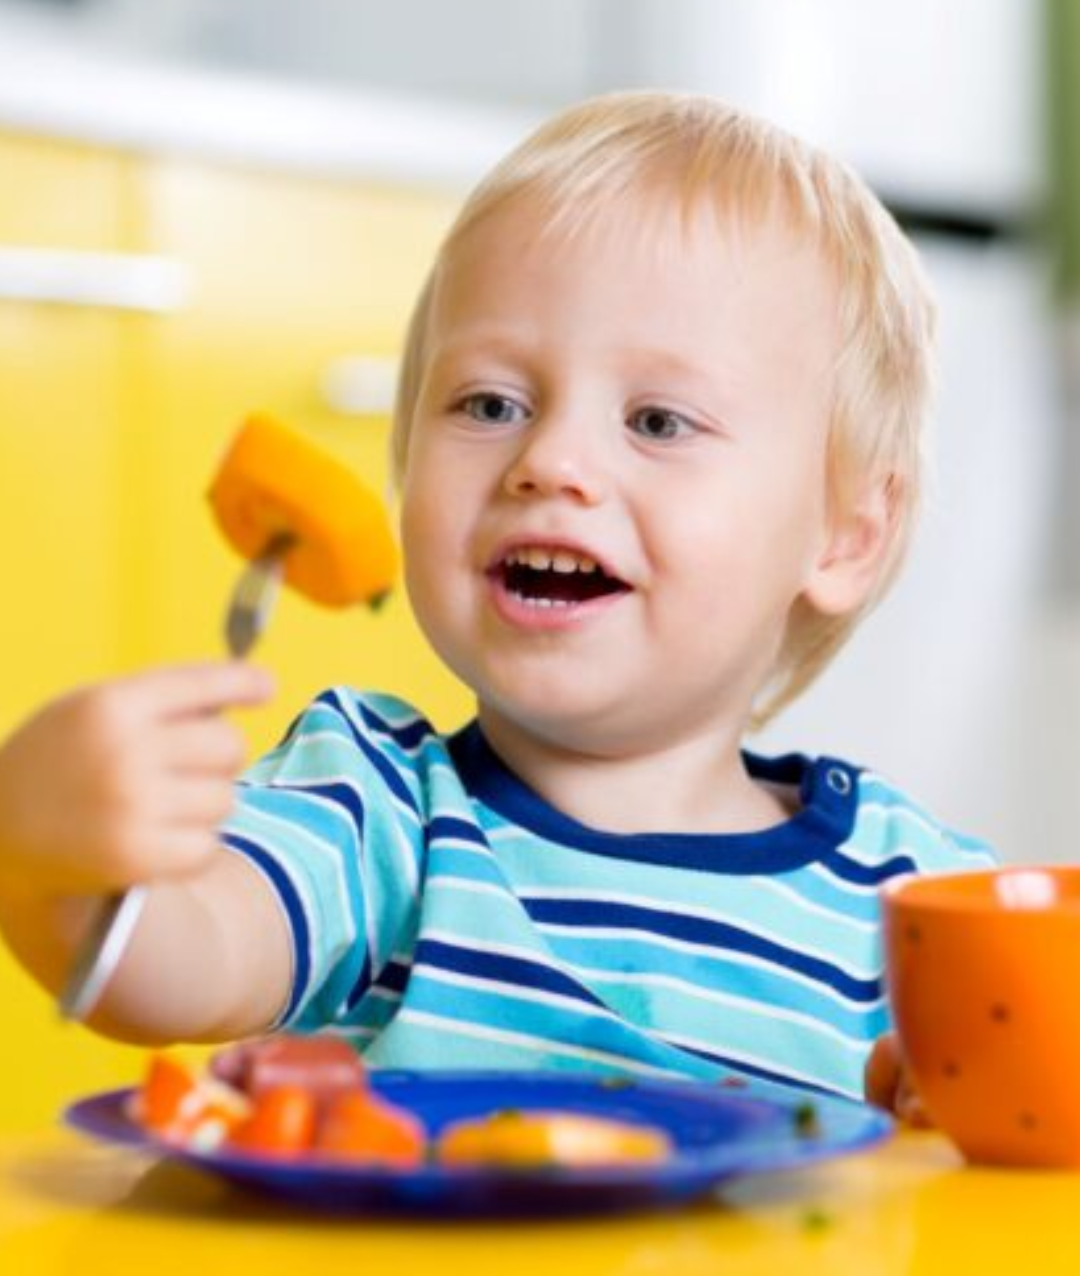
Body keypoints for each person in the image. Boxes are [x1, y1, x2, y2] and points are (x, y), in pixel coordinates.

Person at [0, 91, 993, 1116]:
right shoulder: (377, 812)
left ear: (845, 535)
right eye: (490, 404)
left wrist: (979, 1108)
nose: (550, 461)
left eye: (657, 420)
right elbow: (182, 957)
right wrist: (54, 862)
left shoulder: (921, 907)